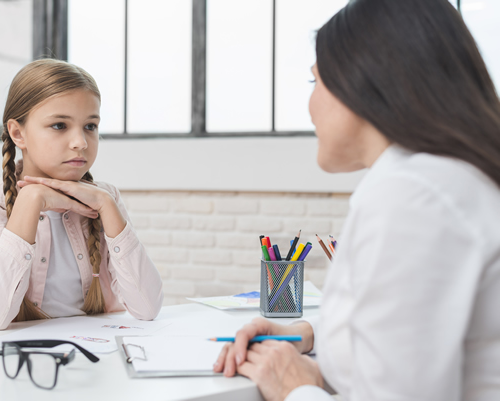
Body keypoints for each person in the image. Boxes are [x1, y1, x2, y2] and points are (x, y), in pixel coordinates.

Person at [214, 0, 500, 400]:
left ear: (363, 81)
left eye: (316, 82)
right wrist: (309, 334)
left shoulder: (413, 197)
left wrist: (294, 388)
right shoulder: (450, 180)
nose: (309, 106)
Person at [0, 59, 164, 330]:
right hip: (12, 364)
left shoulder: (106, 198)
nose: (81, 143)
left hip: (96, 355)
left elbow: (147, 309)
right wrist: (30, 200)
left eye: (90, 126)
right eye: (59, 126)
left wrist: (105, 204)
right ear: (18, 133)